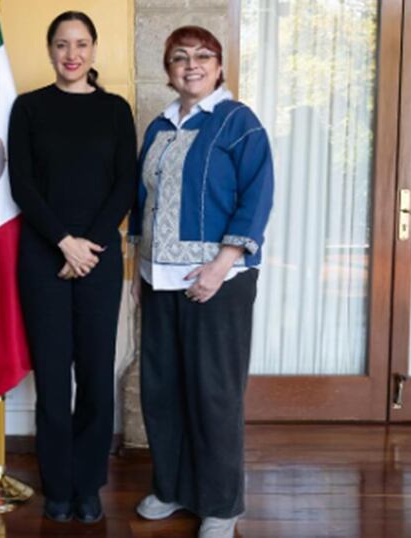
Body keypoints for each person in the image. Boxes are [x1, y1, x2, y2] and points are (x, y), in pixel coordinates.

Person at [129, 27, 273, 538]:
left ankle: (220, 503)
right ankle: (171, 488)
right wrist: (136, 271)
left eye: (202, 56)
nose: (191, 65)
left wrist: (220, 266)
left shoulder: (239, 123)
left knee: (214, 392)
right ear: (168, 70)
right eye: (179, 58)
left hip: (219, 281)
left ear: (219, 66)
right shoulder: (159, 127)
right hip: (159, 279)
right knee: (163, 389)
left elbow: (256, 197)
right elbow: (142, 201)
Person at [7, 11, 137, 524]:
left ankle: (89, 484)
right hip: (44, 259)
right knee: (54, 380)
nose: (72, 54)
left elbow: (125, 184)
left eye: (81, 44)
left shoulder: (114, 110)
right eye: (62, 44)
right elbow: (23, 185)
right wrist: (64, 244)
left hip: (99, 261)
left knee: (96, 376)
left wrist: (87, 248)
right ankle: (58, 486)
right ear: (49, 50)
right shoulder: (29, 108)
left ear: (94, 50)